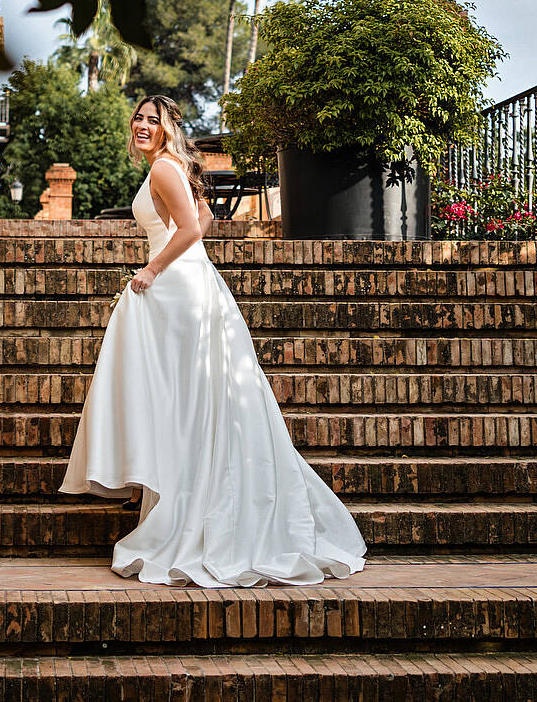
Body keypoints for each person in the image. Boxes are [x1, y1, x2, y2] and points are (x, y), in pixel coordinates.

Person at [56, 94, 369, 586]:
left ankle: (194, 514)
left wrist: (152, 267)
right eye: (137, 116)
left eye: (151, 120)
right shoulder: (172, 166)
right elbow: (205, 217)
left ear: (166, 129)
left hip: (178, 287)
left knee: (187, 403)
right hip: (191, 284)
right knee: (196, 403)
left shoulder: (163, 169)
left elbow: (189, 230)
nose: (141, 124)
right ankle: (196, 505)